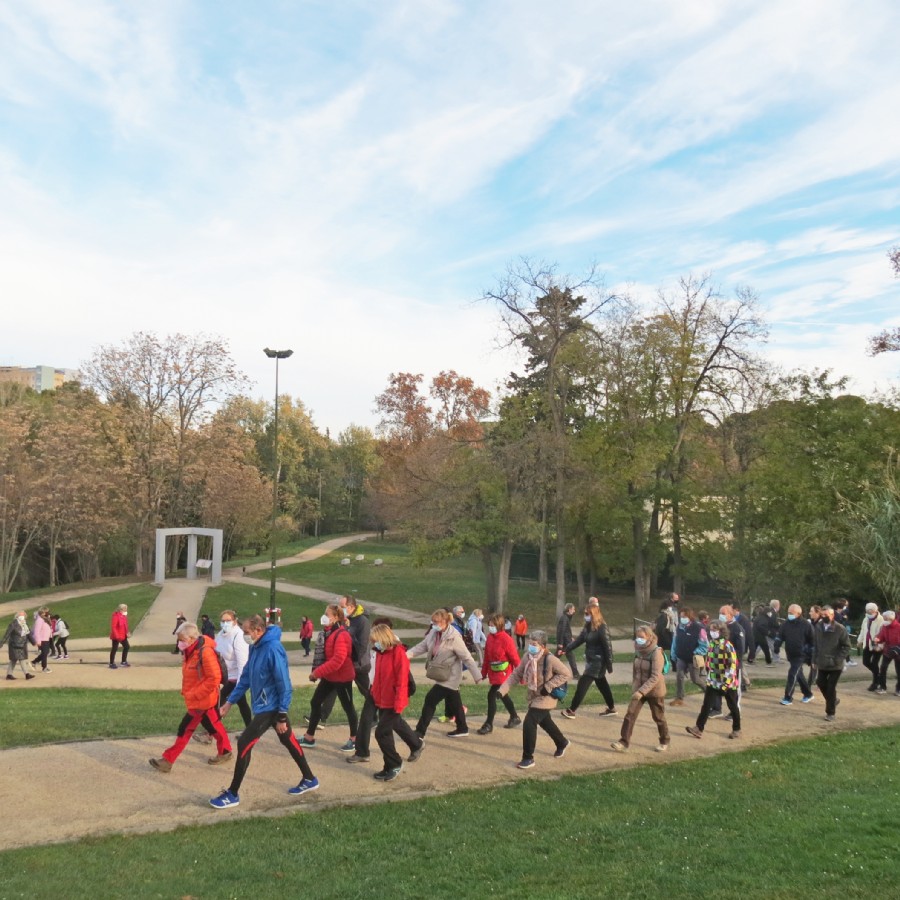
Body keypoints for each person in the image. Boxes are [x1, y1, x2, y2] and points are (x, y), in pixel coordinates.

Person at [209, 615, 318, 809]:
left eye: (247, 632)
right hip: (263, 705)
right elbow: (246, 678)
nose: (244, 636)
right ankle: (309, 778)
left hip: (273, 707)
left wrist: (282, 715)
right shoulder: (255, 647)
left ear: (259, 631)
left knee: (244, 743)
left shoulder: (273, 648)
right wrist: (230, 702)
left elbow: (284, 684)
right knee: (288, 739)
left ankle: (232, 794)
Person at [149, 623, 232, 772]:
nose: (179, 643)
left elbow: (214, 678)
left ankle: (168, 760)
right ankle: (225, 750)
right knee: (213, 725)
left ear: (193, 638)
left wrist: (195, 694)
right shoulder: (191, 651)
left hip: (201, 700)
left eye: (182, 639)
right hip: (201, 699)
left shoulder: (204, 652)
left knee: (185, 728)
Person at [499, 630, 570, 769]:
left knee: (529, 722)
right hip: (534, 696)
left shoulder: (550, 659)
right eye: (530, 643)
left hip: (547, 697)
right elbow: (516, 674)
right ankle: (562, 742)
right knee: (545, 721)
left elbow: (566, 674)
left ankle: (528, 758)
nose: (531, 646)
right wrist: (502, 691)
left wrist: (549, 686)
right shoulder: (528, 656)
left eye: (534, 644)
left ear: (542, 646)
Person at [407, 608, 481, 739]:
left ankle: (420, 732)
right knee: (455, 702)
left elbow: (467, 657)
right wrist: (405, 655)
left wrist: (477, 676)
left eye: (436, 622)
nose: (433, 624)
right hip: (441, 673)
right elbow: (422, 646)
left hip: (450, 676)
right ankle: (462, 728)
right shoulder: (433, 633)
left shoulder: (454, 637)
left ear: (445, 621)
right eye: (432, 621)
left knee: (430, 699)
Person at [299, 604, 359, 751]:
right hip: (330, 676)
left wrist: (317, 672)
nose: (324, 617)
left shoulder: (341, 634)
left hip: (342, 678)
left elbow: (338, 660)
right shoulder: (329, 633)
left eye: (327, 614)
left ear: (336, 617)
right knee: (315, 702)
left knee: (348, 707)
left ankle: (355, 739)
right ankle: (309, 737)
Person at [369, 623, 424, 780]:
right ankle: (389, 766)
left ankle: (395, 763)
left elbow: (401, 681)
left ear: (383, 638)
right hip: (382, 699)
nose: (374, 644)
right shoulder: (380, 653)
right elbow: (378, 677)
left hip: (394, 701)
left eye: (375, 641)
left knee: (381, 733)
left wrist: (399, 703)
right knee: (388, 732)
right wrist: (374, 693)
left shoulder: (398, 654)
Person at [611, 625, 669, 753]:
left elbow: (655, 676)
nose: (638, 640)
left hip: (654, 691)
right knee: (630, 715)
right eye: (637, 637)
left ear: (649, 637)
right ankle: (623, 742)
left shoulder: (656, 652)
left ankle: (664, 740)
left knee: (658, 717)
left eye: (641, 637)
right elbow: (635, 671)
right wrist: (635, 687)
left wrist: (642, 691)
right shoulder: (638, 650)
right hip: (639, 690)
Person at [318, 595, 371, 733]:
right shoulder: (344, 620)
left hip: (358, 665)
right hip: (344, 664)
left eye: (343, 606)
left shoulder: (363, 621)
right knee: (332, 689)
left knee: (366, 692)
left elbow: (362, 646)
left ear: (351, 607)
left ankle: (376, 716)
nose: (340, 608)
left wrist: (346, 631)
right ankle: (321, 718)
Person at [685, 617, 742, 740]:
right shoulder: (711, 644)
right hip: (713, 681)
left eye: (715, 630)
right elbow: (709, 662)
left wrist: (726, 683)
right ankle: (698, 728)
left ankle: (736, 729)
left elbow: (732, 666)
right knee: (706, 706)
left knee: (732, 706)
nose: (712, 632)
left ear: (722, 631)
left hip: (728, 683)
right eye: (711, 630)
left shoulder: (728, 646)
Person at [561, 605, 616, 719]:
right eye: (585, 614)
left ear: (594, 614)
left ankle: (572, 710)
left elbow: (608, 647)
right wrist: (566, 649)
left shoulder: (602, 627)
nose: (585, 616)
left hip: (598, 662)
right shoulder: (588, 627)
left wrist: (609, 665)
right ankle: (611, 708)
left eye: (588, 614)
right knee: (602, 684)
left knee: (583, 683)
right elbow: (579, 640)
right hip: (592, 660)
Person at [478, 612, 521, 734]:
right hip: (494, 672)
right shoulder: (490, 638)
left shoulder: (506, 639)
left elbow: (515, 659)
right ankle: (514, 717)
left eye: (493, 625)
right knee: (502, 695)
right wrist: (483, 672)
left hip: (504, 673)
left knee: (492, 695)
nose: (490, 627)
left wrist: (521, 676)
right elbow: (487, 657)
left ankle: (488, 724)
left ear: (499, 625)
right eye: (489, 624)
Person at [813, 605, 850, 722]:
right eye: (822, 615)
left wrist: (838, 659)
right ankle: (833, 701)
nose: (823, 617)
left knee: (830, 687)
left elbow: (846, 646)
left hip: (835, 664)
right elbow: (816, 645)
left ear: (832, 615)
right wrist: (814, 660)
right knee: (820, 682)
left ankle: (830, 712)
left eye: (826, 615)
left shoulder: (840, 629)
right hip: (822, 662)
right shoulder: (818, 626)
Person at [773, 604, 815, 705]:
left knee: (792, 673)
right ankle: (808, 694)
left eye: (791, 613)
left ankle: (788, 697)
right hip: (790, 653)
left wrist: (812, 656)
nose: (789, 615)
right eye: (788, 612)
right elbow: (780, 636)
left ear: (798, 614)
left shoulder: (806, 625)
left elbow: (813, 641)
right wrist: (776, 646)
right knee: (798, 674)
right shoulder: (786, 624)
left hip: (801, 654)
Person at [216, 610, 252, 726]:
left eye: (228, 620)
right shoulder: (220, 635)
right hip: (226, 675)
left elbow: (243, 662)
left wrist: (240, 684)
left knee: (219, 701)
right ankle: (250, 729)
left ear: (235, 621)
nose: (225, 623)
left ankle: (211, 732)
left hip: (236, 677)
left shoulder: (239, 636)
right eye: (223, 621)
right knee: (242, 704)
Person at [670, 607, 706, 706]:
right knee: (679, 676)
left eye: (684, 616)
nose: (682, 618)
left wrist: (696, 652)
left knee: (695, 679)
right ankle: (679, 697)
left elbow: (704, 645)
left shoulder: (699, 628)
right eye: (681, 616)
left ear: (690, 616)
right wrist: (673, 654)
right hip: (681, 657)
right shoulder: (678, 627)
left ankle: (709, 692)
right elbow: (675, 641)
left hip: (693, 658)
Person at [857, 603, 884, 692]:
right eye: (867, 610)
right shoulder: (866, 618)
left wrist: (879, 645)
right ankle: (879, 676)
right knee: (865, 662)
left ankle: (875, 683)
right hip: (867, 643)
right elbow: (863, 630)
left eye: (871, 610)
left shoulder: (881, 620)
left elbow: (882, 633)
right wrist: (859, 640)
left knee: (874, 663)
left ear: (875, 611)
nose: (869, 612)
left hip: (877, 645)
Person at [2, 611, 36, 680]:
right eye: (21, 615)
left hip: (22, 645)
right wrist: (1, 643)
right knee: (19, 659)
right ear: (17, 616)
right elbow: (7, 634)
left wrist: (33, 642)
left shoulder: (25, 624)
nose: (22, 616)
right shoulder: (13, 624)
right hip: (14, 645)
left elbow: (28, 634)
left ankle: (9, 674)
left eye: (23, 615)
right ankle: (27, 674)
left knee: (15, 660)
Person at [875, 610, 900, 696]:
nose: (884, 620)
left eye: (885, 618)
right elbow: (881, 637)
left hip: (898, 651)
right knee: (883, 668)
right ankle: (882, 687)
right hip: (887, 650)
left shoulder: (898, 627)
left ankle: (898, 689)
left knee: (899, 671)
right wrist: (878, 639)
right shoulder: (885, 627)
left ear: (891, 619)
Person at [556, 603, 580, 679]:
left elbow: (566, 631)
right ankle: (545, 671)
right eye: (573, 609)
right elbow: (561, 631)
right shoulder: (564, 618)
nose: (574, 611)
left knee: (571, 658)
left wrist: (570, 637)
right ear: (569, 609)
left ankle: (576, 674)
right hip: (564, 643)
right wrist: (560, 643)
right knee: (555, 658)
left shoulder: (566, 618)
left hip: (566, 642)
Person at [109, 603, 130, 669]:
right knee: (114, 648)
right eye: (125, 609)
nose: (126, 610)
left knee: (127, 646)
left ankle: (123, 662)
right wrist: (117, 636)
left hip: (123, 635)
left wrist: (127, 632)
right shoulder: (116, 616)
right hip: (116, 636)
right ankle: (111, 663)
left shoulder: (123, 616)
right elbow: (114, 627)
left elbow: (125, 625)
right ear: (121, 609)